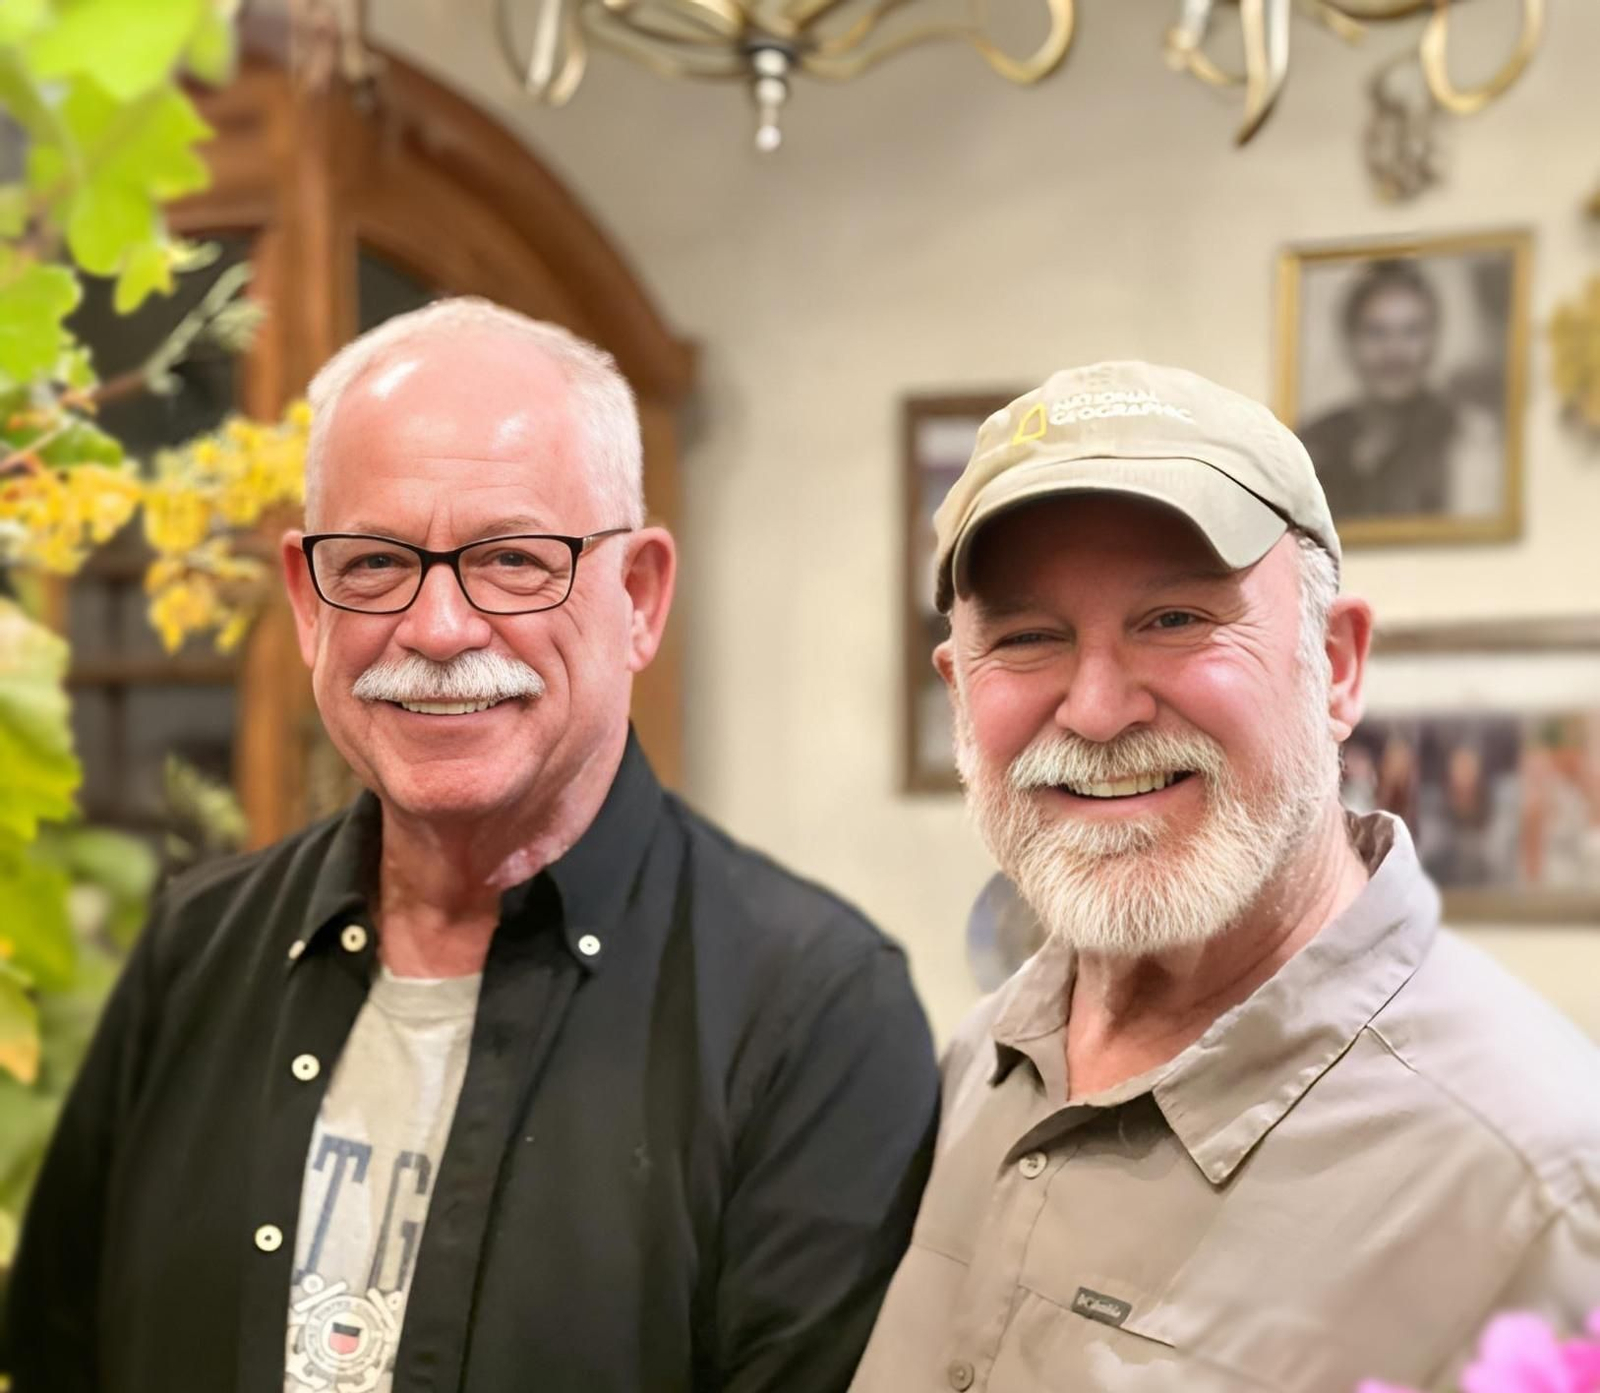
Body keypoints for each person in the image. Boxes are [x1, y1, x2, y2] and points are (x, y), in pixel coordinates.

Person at [5, 298, 939, 1393]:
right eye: (373, 564)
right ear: (308, 602)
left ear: (637, 596)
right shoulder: (196, 948)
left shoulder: (813, 1014)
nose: (439, 628)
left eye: (511, 560)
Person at [850, 362, 1600, 1393]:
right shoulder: (989, 1055)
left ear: (1334, 664)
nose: (1098, 709)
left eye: (1175, 619)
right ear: (957, 689)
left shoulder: (1540, 1192)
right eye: (1027, 638)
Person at [1299, 259, 1500, 521]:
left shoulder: (1467, 436)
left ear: (1433, 340)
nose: (1394, 351)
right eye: (1376, 332)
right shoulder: (1313, 443)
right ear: (1349, 340)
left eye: (1412, 331)